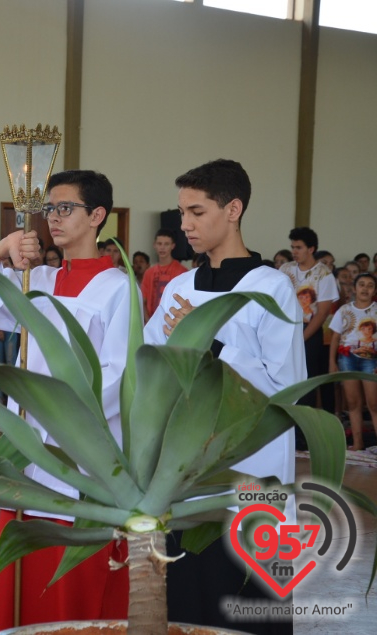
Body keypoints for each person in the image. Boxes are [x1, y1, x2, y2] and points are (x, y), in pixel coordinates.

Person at [0, 170, 133, 631]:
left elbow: (120, 375)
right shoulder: (39, 279)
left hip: (81, 449)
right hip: (29, 444)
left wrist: (56, 407)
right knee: (24, 572)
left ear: (97, 216)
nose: (54, 218)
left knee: (69, 582)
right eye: (49, 209)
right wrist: (0, 251)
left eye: (65, 208)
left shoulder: (118, 289)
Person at [145, 159, 304, 635]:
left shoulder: (272, 288)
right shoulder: (179, 286)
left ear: (233, 209)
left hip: (250, 478)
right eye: (181, 213)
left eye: (197, 212)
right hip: (186, 475)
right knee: (187, 610)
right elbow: (152, 368)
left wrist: (212, 346)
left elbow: (288, 391)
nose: (185, 225)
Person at [279, 227, 338, 407]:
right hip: (286, 328)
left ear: (311, 249)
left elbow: (322, 313)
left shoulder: (324, 275)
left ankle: (303, 431)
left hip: (309, 332)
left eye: (298, 248)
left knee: (305, 380)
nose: (294, 252)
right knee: (285, 378)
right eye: (292, 247)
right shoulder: (285, 268)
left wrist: (301, 337)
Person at [329, 273, 377, 450]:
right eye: (362, 284)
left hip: (371, 359)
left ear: (375, 290)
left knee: (373, 403)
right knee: (353, 403)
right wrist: (332, 363)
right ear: (355, 288)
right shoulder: (344, 310)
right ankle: (358, 443)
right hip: (347, 358)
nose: (365, 288)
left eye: (370, 285)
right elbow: (335, 338)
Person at [140, 228, 188, 322]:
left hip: (173, 323)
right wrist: (149, 322)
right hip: (151, 322)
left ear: (173, 246)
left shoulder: (182, 272)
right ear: (154, 245)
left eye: (166, 244)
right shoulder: (149, 272)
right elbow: (143, 302)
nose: (162, 247)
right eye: (159, 244)